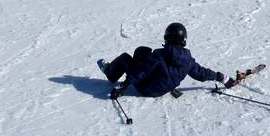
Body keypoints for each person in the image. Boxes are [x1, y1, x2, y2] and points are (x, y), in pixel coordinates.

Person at [98, 22, 236, 99]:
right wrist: (222, 78)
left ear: (167, 38)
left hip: (146, 89)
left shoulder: (160, 55)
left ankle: (110, 73)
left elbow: (141, 71)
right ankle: (117, 72)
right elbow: (201, 73)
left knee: (125, 58)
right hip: (162, 90)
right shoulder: (188, 60)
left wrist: (122, 87)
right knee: (143, 51)